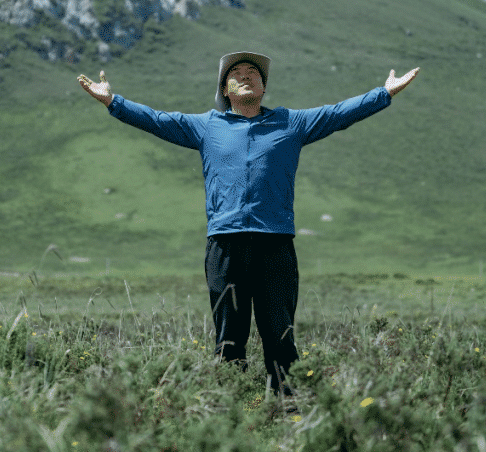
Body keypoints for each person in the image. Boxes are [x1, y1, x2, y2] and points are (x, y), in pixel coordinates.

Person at [77, 52, 418, 395]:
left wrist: (384, 92)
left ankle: (287, 409)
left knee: (280, 335)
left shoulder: (291, 123)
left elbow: (337, 114)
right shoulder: (207, 126)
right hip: (225, 245)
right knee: (229, 338)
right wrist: (112, 101)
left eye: (253, 72)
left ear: (263, 87)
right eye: (236, 72)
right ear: (225, 90)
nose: (245, 76)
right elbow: (157, 120)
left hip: (275, 244)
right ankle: (229, 408)